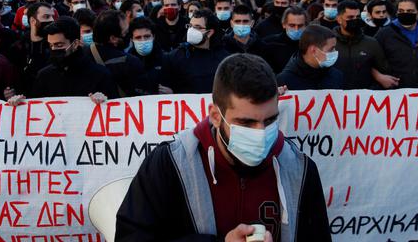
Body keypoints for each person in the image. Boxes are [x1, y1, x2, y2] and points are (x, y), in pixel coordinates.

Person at [116, 53, 331, 242]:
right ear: (216, 116)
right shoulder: (169, 164)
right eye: (246, 123)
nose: (261, 133)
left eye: (270, 120)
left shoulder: (299, 169)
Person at [28, 17, 118, 99]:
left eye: (59, 45)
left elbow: (113, 109)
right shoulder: (44, 76)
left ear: (75, 44)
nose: (53, 49)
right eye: (50, 45)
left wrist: (103, 100)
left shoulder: (100, 75)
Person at [375, 0, 418, 88]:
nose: (405, 14)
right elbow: (369, 59)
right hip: (396, 91)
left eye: (410, 11)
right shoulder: (385, 33)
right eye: (401, 11)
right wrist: (379, 77)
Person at [160, 9, 230, 94]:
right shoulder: (174, 57)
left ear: (209, 33)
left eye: (197, 27)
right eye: (190, 26)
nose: (191, 30)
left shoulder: (224, 60)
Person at [333, 1, 395, 89]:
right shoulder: (329, 43)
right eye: (350, 17)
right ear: (339, 19)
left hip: (364, 99)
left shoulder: (371, 43)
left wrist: (371, 91)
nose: (355, 20)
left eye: (357, 17)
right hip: (335, 98)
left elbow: (384, 71)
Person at [86, 10, 146, 97]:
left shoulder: (81, 56)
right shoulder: (130, 62)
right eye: (125, 32)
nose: (128, 35)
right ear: (113, 39)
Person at [277, 25, 343, 90]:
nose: (335, 52)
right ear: (314, 50)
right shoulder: (284, 81)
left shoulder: (336, 76)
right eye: (331, 49)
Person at [8, 2, 55, 93]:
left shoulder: (55, 46)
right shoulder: (18, 47)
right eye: (46, 17)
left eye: (52, 17)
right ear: (33, 20)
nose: (51, 20)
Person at [259, 7, 308, 75]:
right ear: (284, 24)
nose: (296, 29)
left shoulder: (310, 46)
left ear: (306, 26)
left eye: (300, 26)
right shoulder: (268, 43)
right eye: (292, 25)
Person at [127, 16, 166, 95]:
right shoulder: (126, 61)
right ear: (132, 39)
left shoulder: (166, 58)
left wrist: (173, 92)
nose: (143, 41)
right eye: (138, 37)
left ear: (153, 36)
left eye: (147, 36)